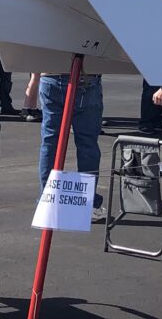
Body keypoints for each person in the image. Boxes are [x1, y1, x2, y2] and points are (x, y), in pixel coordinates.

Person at [38, 69, 104, 219]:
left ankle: (47, 200)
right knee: (87, 143)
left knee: (50, 142)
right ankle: (88, 205)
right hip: (84, 78)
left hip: (50, 76)